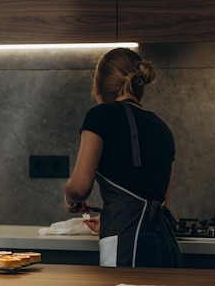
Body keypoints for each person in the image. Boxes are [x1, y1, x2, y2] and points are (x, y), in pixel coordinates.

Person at [64, 48, 182, 268]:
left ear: (99, 89)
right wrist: (111, 217)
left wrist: (71, 200)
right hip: (164, 244)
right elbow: (161, 201)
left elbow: (80, 188)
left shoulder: (100, 116)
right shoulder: (162, 128)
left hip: (128, 243)